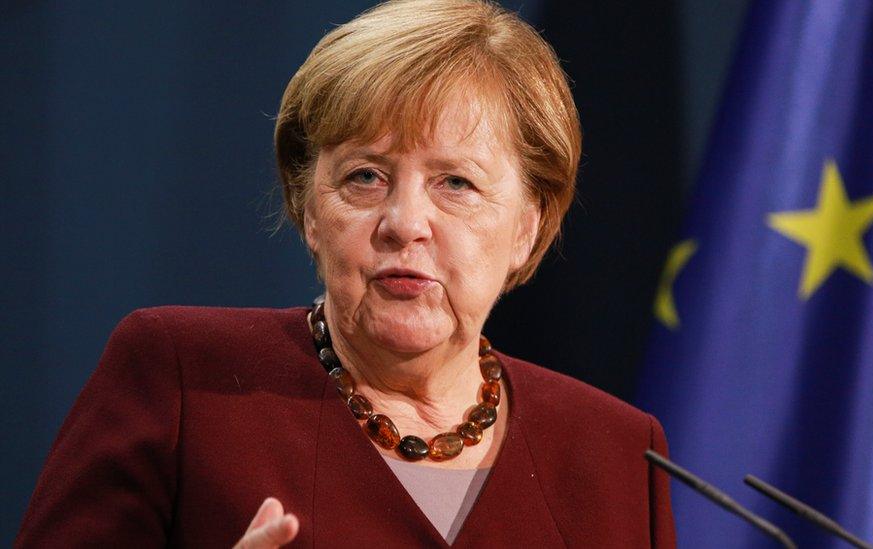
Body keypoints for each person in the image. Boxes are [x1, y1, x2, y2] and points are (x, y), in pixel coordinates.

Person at [15, 1, 675, 547]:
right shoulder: (185, 382)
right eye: (366, 177)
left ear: (529, 224)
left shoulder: (616, 454)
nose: (404, 221)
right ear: (308, 206)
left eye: (456, 183)